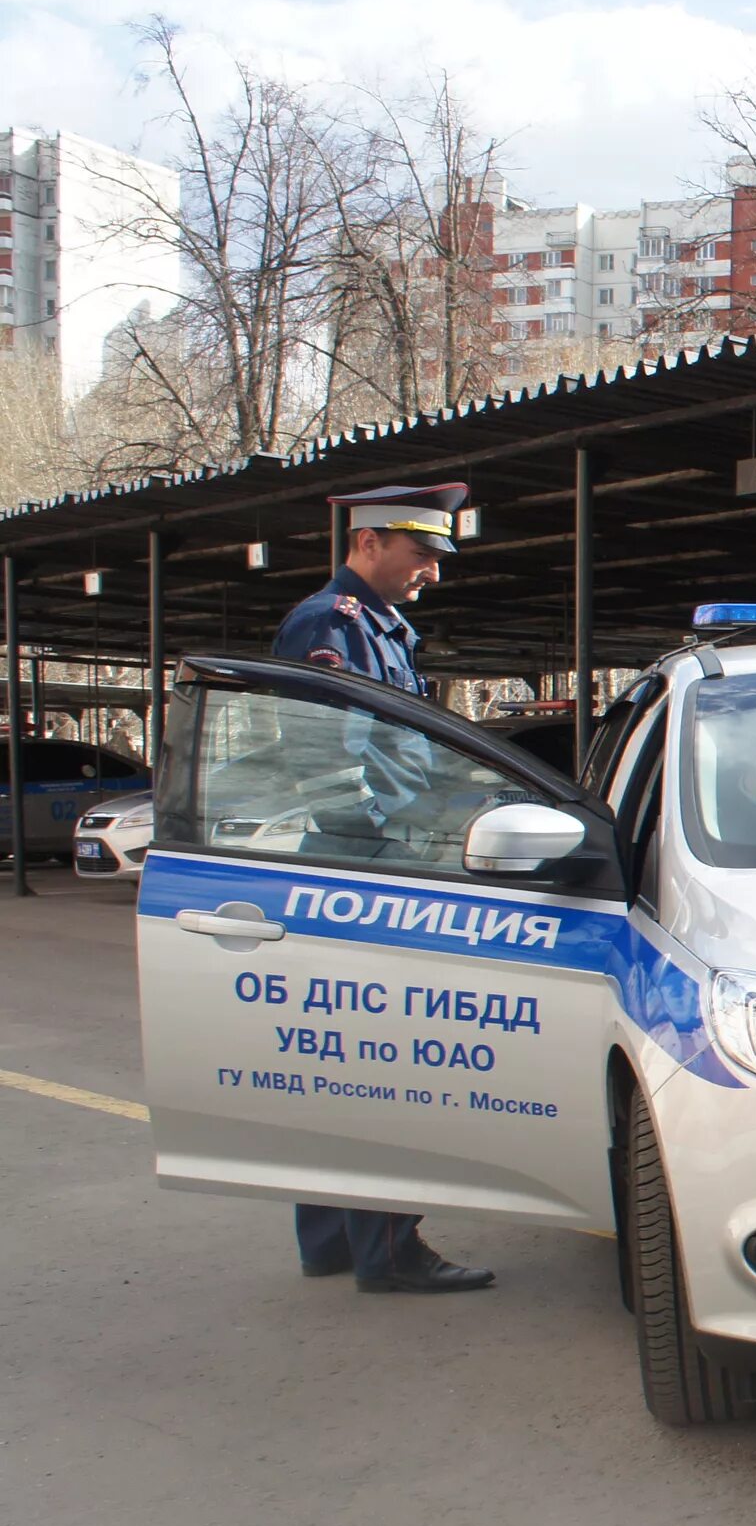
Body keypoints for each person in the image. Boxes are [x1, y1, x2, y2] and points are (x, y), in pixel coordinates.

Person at [274, 483, 496, 1296]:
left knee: (341, 1066)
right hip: (365, 870)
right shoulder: (331, 625)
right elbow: (323, 758)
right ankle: (390, 1250)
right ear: (368, 543)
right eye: (421, 554)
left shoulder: (375, 628)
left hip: (359, 862)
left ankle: (332, 1239)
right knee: (383, 1065)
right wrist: (387, 847)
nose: (431, 573)